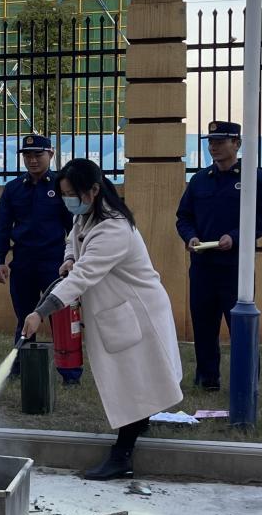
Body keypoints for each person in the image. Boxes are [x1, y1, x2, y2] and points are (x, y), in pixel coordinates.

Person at [20, 159, 184, 480]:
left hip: (137, 312)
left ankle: (122, 457)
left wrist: (41, 312)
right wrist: (69, 258)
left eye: (72, 194)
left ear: (93, 190)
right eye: (64, 194)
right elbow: (73, 240)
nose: (68, 200)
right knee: (134, 379)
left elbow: (83, 276)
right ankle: (139, 425)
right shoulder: (87, 216)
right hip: (118, 311)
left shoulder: (113, 227)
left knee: (132, 382)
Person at [175, 120, 262, 391]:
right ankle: (207, 379)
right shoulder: (200, 180)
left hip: (235, 267)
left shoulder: (254, 178)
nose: (214, 147)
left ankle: (247, 382)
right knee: (203, 325)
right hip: (203, 266)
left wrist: (235, 237)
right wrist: (190, 237)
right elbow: (183, 217)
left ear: (237, 143)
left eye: (220, 142)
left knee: (241, 327)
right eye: (211, 142)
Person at [0, 134, 83, 385]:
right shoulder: (13, 189)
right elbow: (2, 226)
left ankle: (70, 373)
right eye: (27, 156)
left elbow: (74, 226)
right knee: (25, 316)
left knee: (60, 317)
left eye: (38, 155)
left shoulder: (61, 186)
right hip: (23, 262)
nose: (32, 160)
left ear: (50, 154)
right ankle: (19, 367)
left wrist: (74, 257)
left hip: (54, 263)